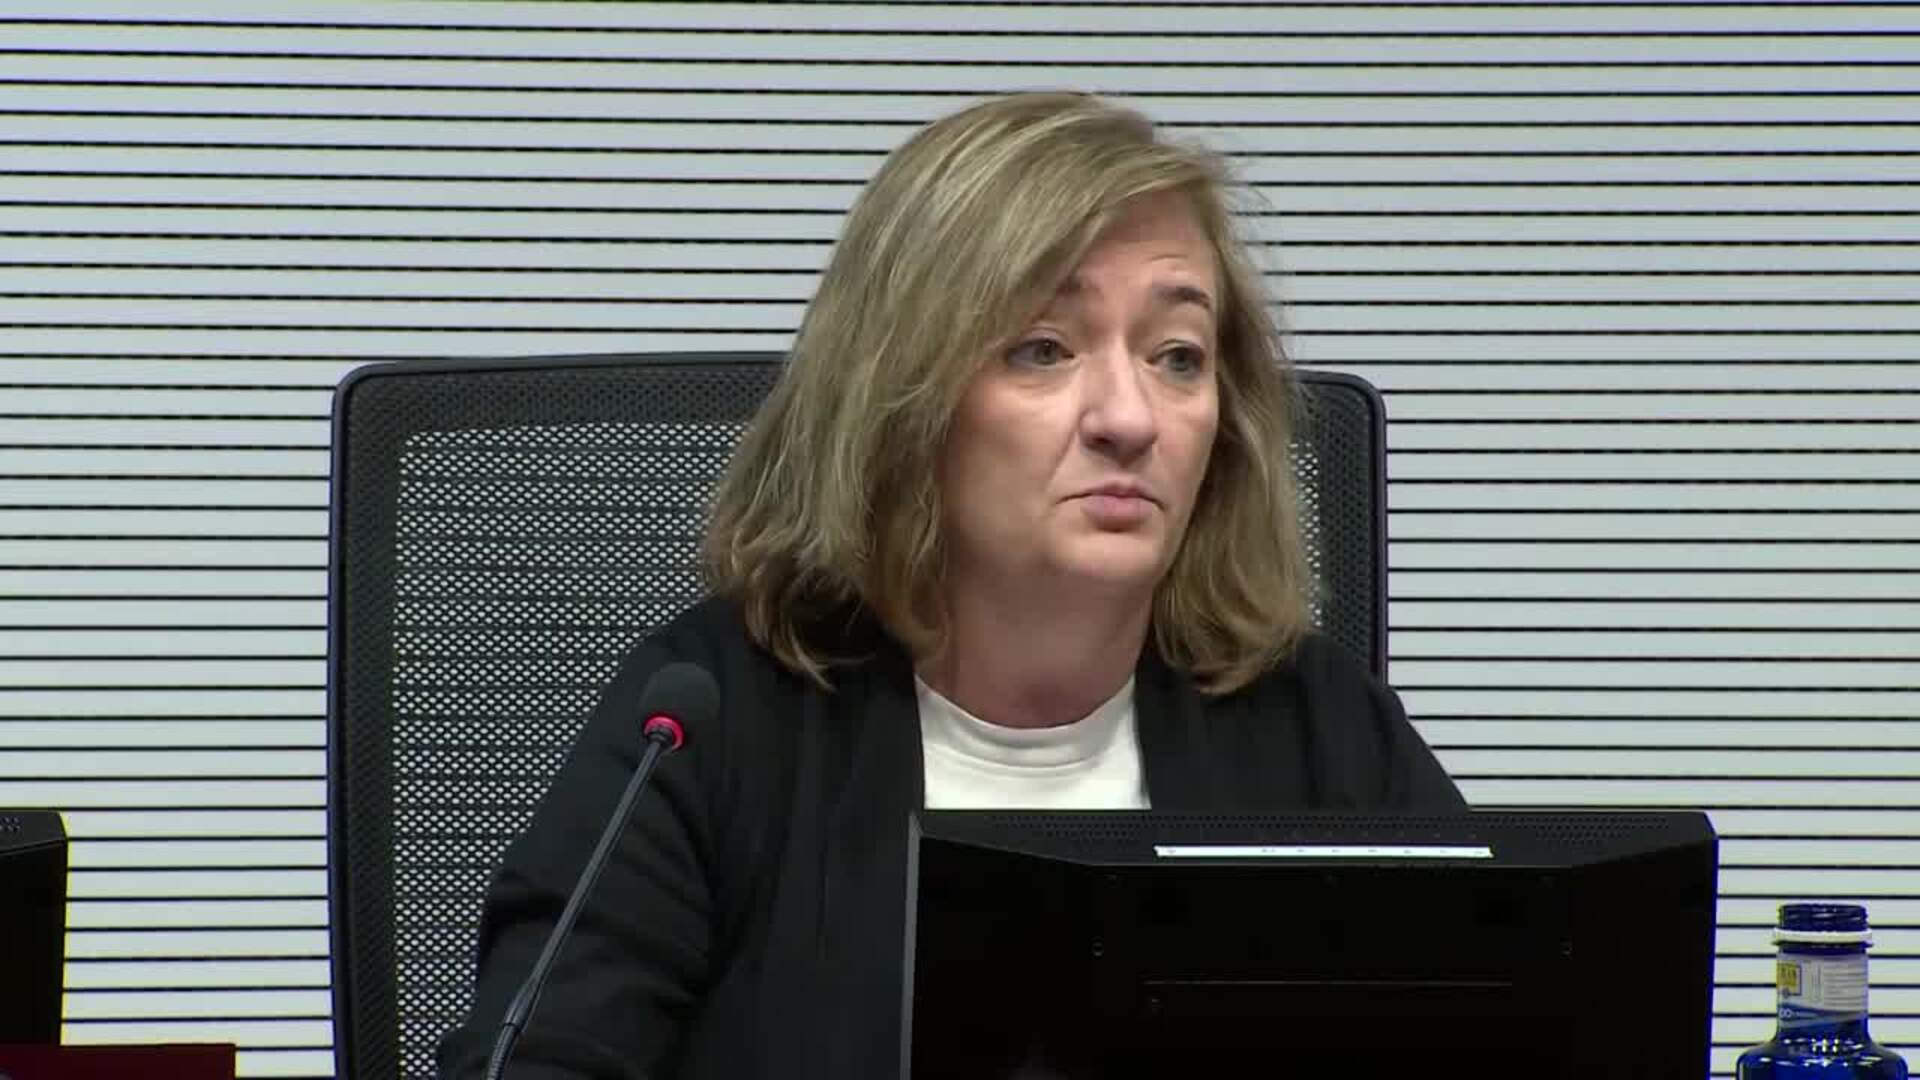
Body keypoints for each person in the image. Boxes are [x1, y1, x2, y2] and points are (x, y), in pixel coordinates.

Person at [437, 91, 1465, 1080]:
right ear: (902, 397)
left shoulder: (1313, 728)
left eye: (1178, 357)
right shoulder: (710, 722)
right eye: (1044, 349)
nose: (1129, 417)